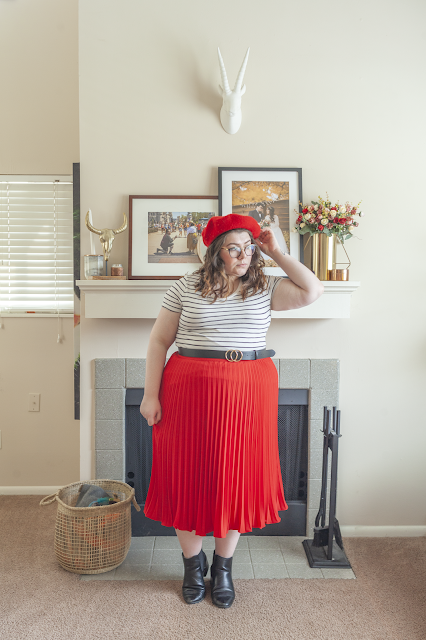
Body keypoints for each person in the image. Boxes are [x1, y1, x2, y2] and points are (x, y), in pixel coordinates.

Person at [140, 214, 323, 608]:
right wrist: (149, 396)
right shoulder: (185, 286)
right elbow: (158, 342)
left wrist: (278, 252)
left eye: (249, 246)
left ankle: (222, 567)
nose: (244, 254)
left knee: (235, 477)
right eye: (234, 247)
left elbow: (312, 290)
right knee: (187, 475)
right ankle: (193, 564)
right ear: (216, 252)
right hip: (187, 390)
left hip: (248, 392)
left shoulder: (266, 287)